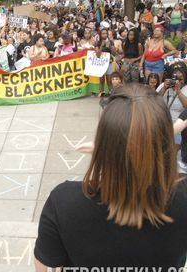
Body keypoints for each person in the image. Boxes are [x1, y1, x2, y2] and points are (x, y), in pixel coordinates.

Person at [35, 84, 187, 270]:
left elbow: (43, 267)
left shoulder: (64, 202)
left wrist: (111, 149)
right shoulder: (182, 197)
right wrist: (138, 143)